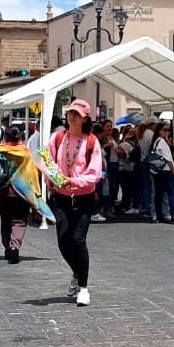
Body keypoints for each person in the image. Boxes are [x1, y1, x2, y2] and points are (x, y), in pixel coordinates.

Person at [46, 99, 104, 306]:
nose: (72, 116)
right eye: (71, 112)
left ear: (85, 118)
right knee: (63, 240)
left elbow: (94, 174)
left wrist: (74, 181)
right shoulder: (58, 137)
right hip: (61, 197)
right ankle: (77, 272)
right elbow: (48, 161)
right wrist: (50, 179)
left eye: (77, 114)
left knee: (78, 239)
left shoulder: (91, 142)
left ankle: (84, 287)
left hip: (84, 197)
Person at [0, 125, 50, 264]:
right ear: (20, 137)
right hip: (22, 193)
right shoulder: (27, 153)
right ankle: (15, 246)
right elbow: (33, 174)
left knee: (6, 221)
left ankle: (7, 246)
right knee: (19, 221)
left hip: (4, 193)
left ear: (5, 137)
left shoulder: (0, 151)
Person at [150, 122, 174, 223]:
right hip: (165, 171)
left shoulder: (157, 141)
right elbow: (168, 158)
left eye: (168, 130)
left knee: (158, 194)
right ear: (159, 131)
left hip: (157, 171)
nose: (167, 132)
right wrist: (173, 170)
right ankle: (173, 215)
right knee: (171, 193)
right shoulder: (161, 142)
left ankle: (159, 215)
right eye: (165, 130)